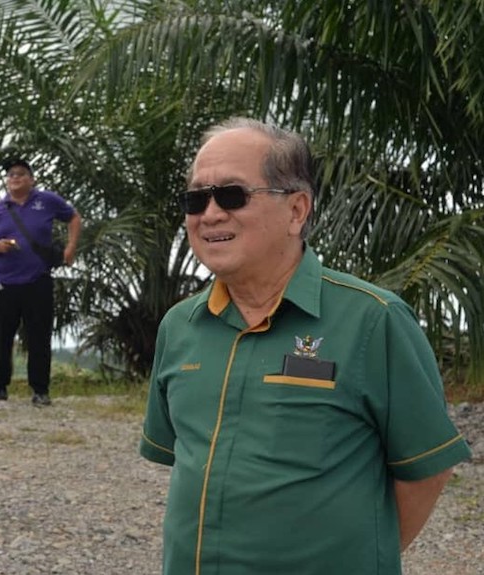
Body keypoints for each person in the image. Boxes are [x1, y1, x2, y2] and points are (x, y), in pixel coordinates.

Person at [139, 117, 472, 574]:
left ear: (297, 210)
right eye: (196, 198)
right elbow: (181, 462)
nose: (210, 214)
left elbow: (428, 470)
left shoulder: (374, 320)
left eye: (232, 195)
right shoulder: (180, 327)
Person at [0, 158, 81, 406]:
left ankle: (40, 390)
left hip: (37, 280)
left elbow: (74, 218)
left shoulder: (46, 201)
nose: (15, 178)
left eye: (21, 174)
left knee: (39, 336)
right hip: (4, 283)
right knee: (1, 337)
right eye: (11, 174)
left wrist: (71, 247)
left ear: (31, 179)